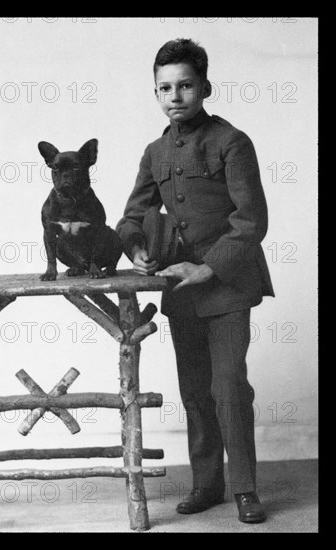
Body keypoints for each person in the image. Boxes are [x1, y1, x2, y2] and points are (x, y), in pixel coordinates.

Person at [116, 38, 274, 524]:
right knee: (195, 391)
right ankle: (208, 484)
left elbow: (252, 221)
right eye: (165, 88)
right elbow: (133, 215)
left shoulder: (232, 142)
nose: (175, 96)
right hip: (180, 293)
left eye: (185, 85)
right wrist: (137, 247)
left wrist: (206, 268)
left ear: (205, 86)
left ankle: (246, 488)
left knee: (228, 387)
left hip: (226, 286)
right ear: (156, 93)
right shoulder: (154, 150)